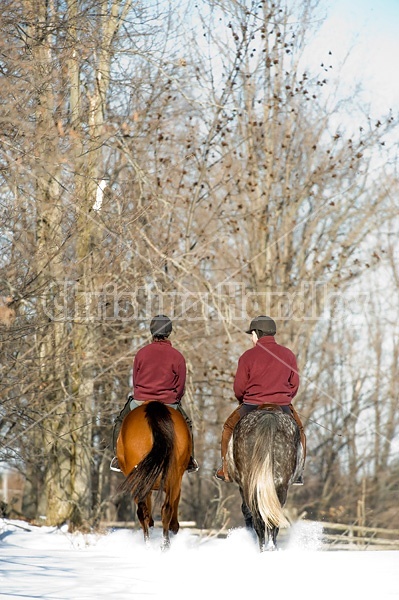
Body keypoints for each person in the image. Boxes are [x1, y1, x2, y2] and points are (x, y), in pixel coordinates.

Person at [215, 315, 306, 484]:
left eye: (252, 334)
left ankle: (226, 468)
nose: (251, 338)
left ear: (257, 333)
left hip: (251, 405)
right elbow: (294, 384)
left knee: (228, 427)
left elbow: (239, 388)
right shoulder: (288, 355)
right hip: (283, 405)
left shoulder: (248, 356)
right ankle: (298, 471)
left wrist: (243, 399)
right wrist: (284, 398)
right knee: (299, 430)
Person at [110, 315, 199, 474]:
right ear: (169, 332)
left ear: (152, 331)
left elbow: (136, 380)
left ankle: (117, 457)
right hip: (168, 402)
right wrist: (174, 399)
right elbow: (180, 386)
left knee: (120, 421)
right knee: (187, 424)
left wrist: (141, 394)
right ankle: (190, 459)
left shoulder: (141, 353)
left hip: (141, 400)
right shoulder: (177, 356)